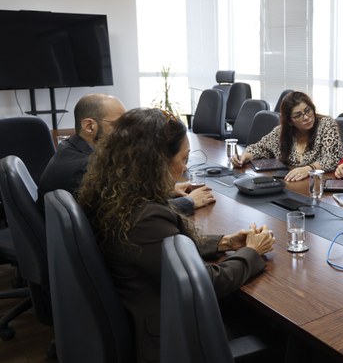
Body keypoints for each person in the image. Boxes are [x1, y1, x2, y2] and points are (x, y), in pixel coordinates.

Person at [78, 108, 275, 363]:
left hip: (149, 306)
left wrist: (224, 242)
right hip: (171, 332)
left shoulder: (118, 196)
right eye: (183, 158)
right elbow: (205, 283)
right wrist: (252, 251)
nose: (184, 168)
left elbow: (168, 249)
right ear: (156, 162)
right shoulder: (143, 218)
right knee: (281, 329)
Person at [37, 93, 214, 213]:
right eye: (118, 125)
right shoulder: (84, 168)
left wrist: (167, 190)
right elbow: (131, 215)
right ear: (89, 126)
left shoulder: (71, 148)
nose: (125, 133)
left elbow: (128, 196)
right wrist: (189, 202)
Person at [232, 91, 343, 181]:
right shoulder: (281, 132)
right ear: (290, 121)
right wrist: (244, 157)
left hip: (317, 185)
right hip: (289, 183)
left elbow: (332, 159)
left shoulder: (326, 125)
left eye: (308, 110)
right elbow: (259, 148)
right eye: (298, 115)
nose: (306, 117)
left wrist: (308, 169)